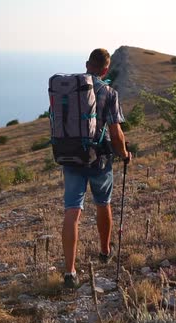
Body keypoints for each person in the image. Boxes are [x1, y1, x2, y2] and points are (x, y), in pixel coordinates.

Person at [61, 48, 132, 288]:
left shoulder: (68, 88)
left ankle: (69, 271)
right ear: (105, 70)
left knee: (72, 210)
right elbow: (115, 132)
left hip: (70, 156)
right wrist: (124, 154)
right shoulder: (109, 92)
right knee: (103, 203)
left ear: (86, 64)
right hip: (99, 159)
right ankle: (104, 250)